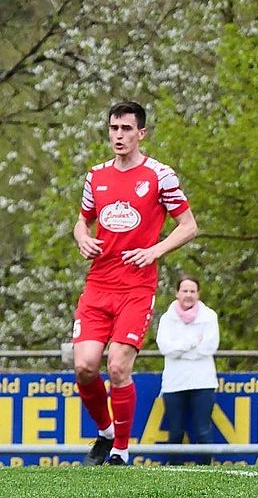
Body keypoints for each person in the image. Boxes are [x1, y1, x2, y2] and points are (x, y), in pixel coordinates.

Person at [72, 101, 198, 466]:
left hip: (136, 289)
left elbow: (189, 226)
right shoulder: (96, 176)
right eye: (114, 128)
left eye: (126, 129)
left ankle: (121, 450)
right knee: (85, 367)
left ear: (141, 133)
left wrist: (154, 250)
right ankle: (105, 432)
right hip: (98, 285)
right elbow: (82, 221)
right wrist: (82, 237)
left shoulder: (160, 175)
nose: (119, 135)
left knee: (117, 367)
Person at [156, 274, 219, 465]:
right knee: (175, 432)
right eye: (185, 290)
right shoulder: (167, 318)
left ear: (198, 294)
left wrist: (179, 350)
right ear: (177, 293)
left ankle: (207, 471)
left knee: (203, 431)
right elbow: (165, 348)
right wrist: (192, 343)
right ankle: (174, 470)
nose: (188, 295)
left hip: (203, 383)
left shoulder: (209, 316)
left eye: (192, 291)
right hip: (174, 384)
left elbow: (209, 347)